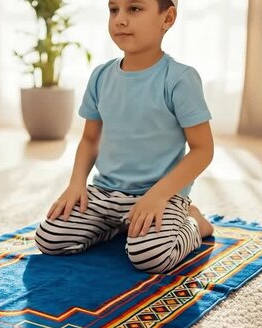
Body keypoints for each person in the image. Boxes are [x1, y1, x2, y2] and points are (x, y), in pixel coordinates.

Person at [34, 0, 214, 273]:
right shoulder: (101, 76)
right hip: (105, 193)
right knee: (49, 238)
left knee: (149, 257)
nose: (120, 19)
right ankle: (119, 226)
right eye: (113, 9)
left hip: (159, 196)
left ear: (167, 18)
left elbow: (203, 150)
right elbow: (90, 140)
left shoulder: (180, 79)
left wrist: (159, 195)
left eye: (134, 9)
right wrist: (76, 184)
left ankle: (192, 223)